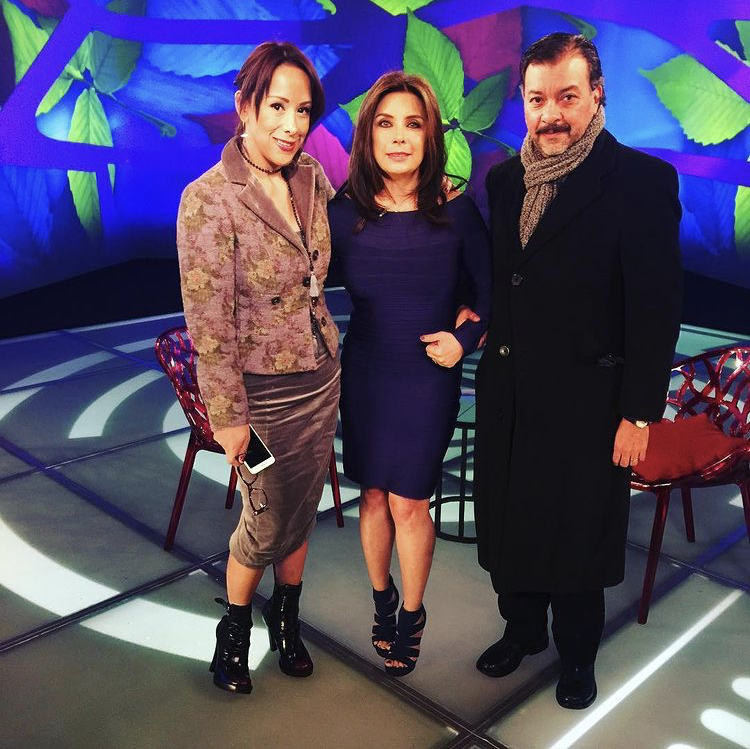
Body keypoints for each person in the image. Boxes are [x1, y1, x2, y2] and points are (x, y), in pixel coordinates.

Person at [468, 33, 682, 708]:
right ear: (523, 102)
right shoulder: (504, 181)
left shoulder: (641, 183)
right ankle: (523, 629)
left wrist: (639, 412)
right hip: (511, 393)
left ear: (596, 94)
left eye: (566, 96)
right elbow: (506, 282)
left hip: (590, 402)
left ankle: (578, 655)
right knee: (512, 525)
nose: (551, 114)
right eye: (537, 100)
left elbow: (655, 309)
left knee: (577, 535)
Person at [176, 42, 340, 694]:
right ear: (244, 105)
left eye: (303, 110)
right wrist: (228, 416)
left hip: (319, 379)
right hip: (259, 396)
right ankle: (235, 630)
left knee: (302, 505)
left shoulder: (311, 178)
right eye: (277, 106)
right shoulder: (208, 199)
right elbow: (208, 322)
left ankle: (287, 618)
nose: (292, 125)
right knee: (267, 514)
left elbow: (354, 225)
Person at [328, 71, 492, 676]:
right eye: (386, 124)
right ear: (368, 136)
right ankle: (382, 600)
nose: (399, 137)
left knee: (409, 501)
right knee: (373, 493)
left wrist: (463, 339)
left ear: (430, 137)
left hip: (426, 377)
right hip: (365, 372)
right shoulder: (342, 214)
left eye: (413, 124)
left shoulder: (456, 210)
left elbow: (492, 296)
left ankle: (413, 614)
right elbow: (298, 285)